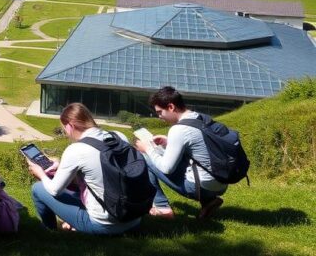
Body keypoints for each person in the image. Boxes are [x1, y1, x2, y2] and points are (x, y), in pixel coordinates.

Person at [27, 103, 142, 235]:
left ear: (70, 126)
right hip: (133, 218)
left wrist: (41, 174)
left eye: (65, 129)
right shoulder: (118, 136)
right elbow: (103, 168)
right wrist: (61, 166)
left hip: (104, 226)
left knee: (38, 188)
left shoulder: (77, 149)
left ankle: (50, 231)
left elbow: (54, 191)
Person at [134, 86, 228, 220]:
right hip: (221, 183)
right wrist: (168, 142)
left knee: (143, 157)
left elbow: (167, 168)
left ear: (171, 107)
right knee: (163, 156)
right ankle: (209, 202)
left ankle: (162, 208)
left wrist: (147, 149)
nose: (159, 117)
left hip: (200, 187)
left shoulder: (179, 129)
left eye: (160, 112)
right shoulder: (200, 118)